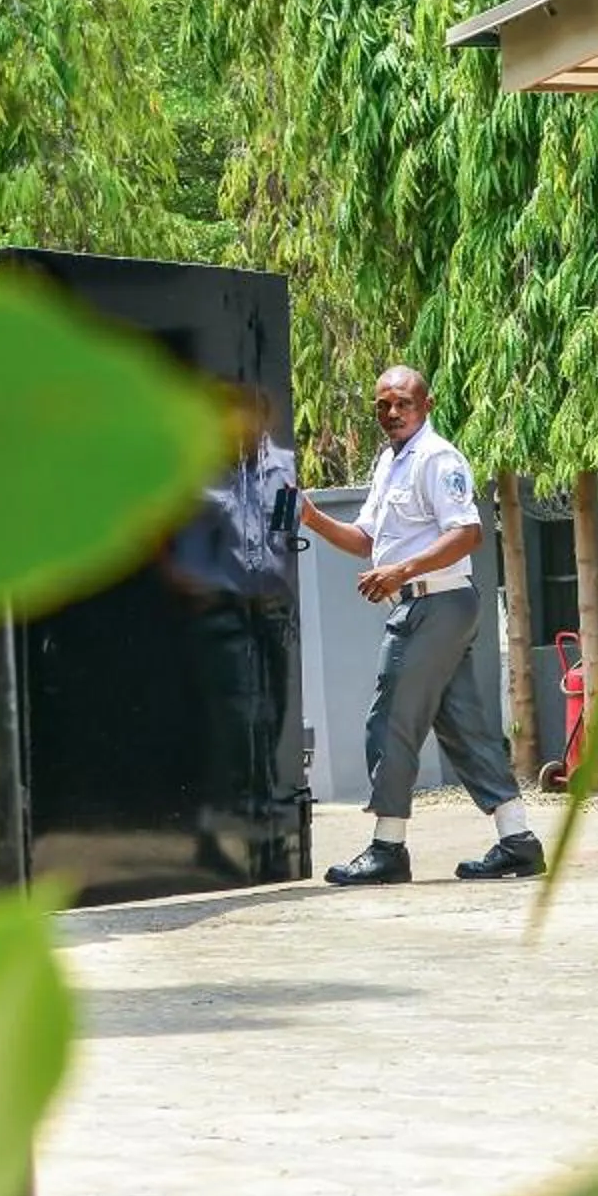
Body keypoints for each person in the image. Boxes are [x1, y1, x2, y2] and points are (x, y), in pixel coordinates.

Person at [298, 366, 544, 885]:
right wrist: (313, 519)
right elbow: (367, 539)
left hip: (434, 604)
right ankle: (518, 840)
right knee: (460, 723)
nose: (391, 413)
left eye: (402, 403)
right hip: (427, 604)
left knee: (389, 720)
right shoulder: (391, 461)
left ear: (426, 405)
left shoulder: (436, 458)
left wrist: (401, 570)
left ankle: (388, 849)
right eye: (382, 405)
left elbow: (468, 533)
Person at [160, 385, 299, 878]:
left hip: (271, 613)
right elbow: (174, 541)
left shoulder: (283, 467)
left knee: (272, 720)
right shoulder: (198, 472)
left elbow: (286, 533)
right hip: (220, 613)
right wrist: (195, 585)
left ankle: (257, 840)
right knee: (238, 725)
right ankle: (227, 840)